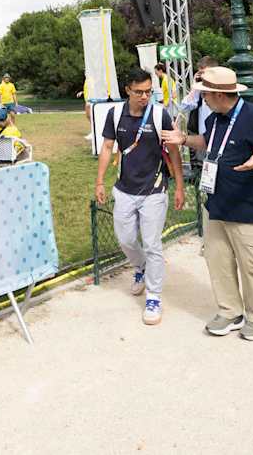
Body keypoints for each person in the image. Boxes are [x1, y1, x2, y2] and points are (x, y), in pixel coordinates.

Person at [164, 67, 253, 340]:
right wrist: (183, 139)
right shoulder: (216, 118)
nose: (202, 98)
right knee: (218, 261)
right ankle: (230, 311)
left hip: (250, 206)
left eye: (205, 93)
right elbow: (209, 142)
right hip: (217, 204)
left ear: (218, 94)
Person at [96, 68, 185, 325]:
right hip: (124, 188)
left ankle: (154, 296)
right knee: (125, 239)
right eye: (139, 92)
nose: (145, 96)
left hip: (154, 190)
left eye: (148, 91)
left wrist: (179, 186)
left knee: (152, 243)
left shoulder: (160, 115)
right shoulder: (115, 114)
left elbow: (174, 152)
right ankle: (141, 267)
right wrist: (100, 181)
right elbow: (107, 147)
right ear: (128, 91)